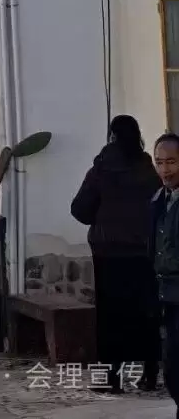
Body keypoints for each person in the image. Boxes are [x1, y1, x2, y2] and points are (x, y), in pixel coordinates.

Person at [72, 115, 161, 393]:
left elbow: (80, 210)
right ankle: (150, 372)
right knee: (145, 313)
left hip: (108, 254)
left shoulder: (101, 170)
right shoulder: (149, 169)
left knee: (111, 318)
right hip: (144, 253)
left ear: (111, 136)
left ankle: (110, 377)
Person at [151, 133, 179, 411]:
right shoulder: (160, 199)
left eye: (171, 162)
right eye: (159, 163)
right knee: (171, 369)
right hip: (167, 295)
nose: (165, 170)